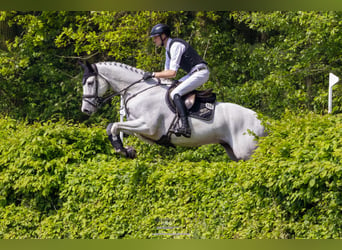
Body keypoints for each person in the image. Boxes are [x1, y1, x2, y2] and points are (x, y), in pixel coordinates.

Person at [143, 23, 210, 138]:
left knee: (175, 93)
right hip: (192, 73)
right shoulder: (168, 50)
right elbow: (165, 73)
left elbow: (172, 73)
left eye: (155, 37)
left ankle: (185, 126)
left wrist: (153, 74)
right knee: (171, 87)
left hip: (200, 72)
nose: (154, 40)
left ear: (163, 36)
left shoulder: (176, 45)